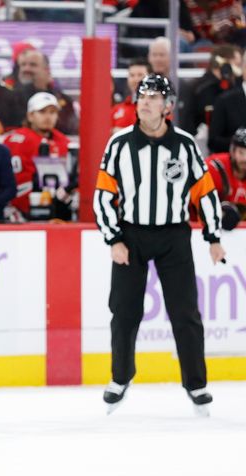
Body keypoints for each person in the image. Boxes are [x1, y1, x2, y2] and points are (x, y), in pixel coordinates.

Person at [93, 74, 225, 416]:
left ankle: (196, 384)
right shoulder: (119, 143)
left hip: (173, 236)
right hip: (131, 235)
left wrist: (213, 237)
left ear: (167, 106)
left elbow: (205, 191)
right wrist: (114, 238)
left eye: (153, 97)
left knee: (185, 313)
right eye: (142, 96)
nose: (145, 102)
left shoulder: (184, 144)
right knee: (123, 312)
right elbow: (103, 195)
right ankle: (120, 377)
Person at [3, 92, 70, 220]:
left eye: (52, 112)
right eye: (42, 112)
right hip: (22, 207)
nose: (48, 117)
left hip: (57, 207)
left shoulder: (63, 141)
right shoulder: (19, 139)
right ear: (30, 116)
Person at [207, 128, 246, 228]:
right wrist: (220, 212)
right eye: (241, 152)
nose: (245, 159)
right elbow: (198, 203)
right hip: (212, 233)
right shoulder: (214, 167)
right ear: (232, 151)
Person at [208, 52, 246, 154]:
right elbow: (213, 141)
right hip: (233, 164)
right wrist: (239, 144)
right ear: (244, 70)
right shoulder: (224, 100)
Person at [111, 59, 150, 133]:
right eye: (132, 75)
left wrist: (122, 133)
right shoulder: (116, 109)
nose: (136, 79)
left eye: (140, 75)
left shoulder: (159, 108)